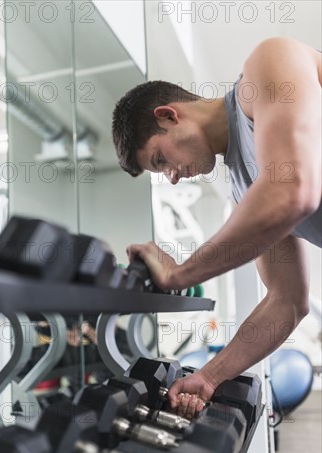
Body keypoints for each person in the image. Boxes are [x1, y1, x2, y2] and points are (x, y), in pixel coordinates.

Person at [111, 37, 321, 419]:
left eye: (162, 160)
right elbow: (286, 301)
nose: (172, 177)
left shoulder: (266, 66)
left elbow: (293, 191)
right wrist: (210, 376)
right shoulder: (244, 191)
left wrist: (179, 273)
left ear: (169, 115)